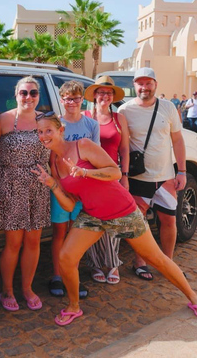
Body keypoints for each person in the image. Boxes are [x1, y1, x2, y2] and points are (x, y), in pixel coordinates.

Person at [32, 112, 197, 325]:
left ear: (61, 131)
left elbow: (114, 173)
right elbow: (70, 204)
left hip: (122, 211)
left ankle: (194, 298)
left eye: (48, 130)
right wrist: (52, 184)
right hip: (92, 214)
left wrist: (86, 173)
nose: (44, 136)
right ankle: (73, 306)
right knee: (66, 258)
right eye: (40, 132)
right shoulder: (54, 162)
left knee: (157, 259)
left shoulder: (83, 145)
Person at [118, 68, 187, 282]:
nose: (144, 87)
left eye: (148, 83)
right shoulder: (124, 110)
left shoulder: (167, 108)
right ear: (134, 85)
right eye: (140, 83)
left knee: (168, 221)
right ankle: (140, 262)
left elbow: (177, 140)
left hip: (165, 177)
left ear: (155, 84)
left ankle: (168, 262)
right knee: (140, 224)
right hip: (138, 178)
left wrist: (182, 171)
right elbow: (119, 145)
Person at [0, 77, 50, 312]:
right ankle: (7, 290)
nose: (28, 97)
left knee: (34, 241)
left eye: (33, 93)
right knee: (13, 243)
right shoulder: (4, 120)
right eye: (24, 92)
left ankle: (27, 288)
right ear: (16, 94)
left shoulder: (45, 120)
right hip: (11, 186)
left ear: (38, 96)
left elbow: (56, 150)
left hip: (38, 186)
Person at [48, 81, 98, 299]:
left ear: (82, 100)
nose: (72, 102)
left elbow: (95, 157)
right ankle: (57, 275)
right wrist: (59, 184)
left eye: (76, 98)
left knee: (77, 233)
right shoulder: (57, 124)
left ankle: (73, 275)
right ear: (62, 100)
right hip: (60, 187)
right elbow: (51, 156)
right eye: (68, 98)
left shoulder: (91, 125)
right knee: (59, 231)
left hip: (82, 187)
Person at [83, 76, 129, 285]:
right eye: (100, 92)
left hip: (112, 176)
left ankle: (112, 264)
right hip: (90, 177)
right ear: (94, 95)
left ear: (113, 97)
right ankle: (95, 264)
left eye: (108, 93)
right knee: (93, 221)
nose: (104, 96)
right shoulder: (84, 116)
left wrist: (125, 175)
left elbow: (125, 149)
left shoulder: (119, 119)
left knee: (112, 221)